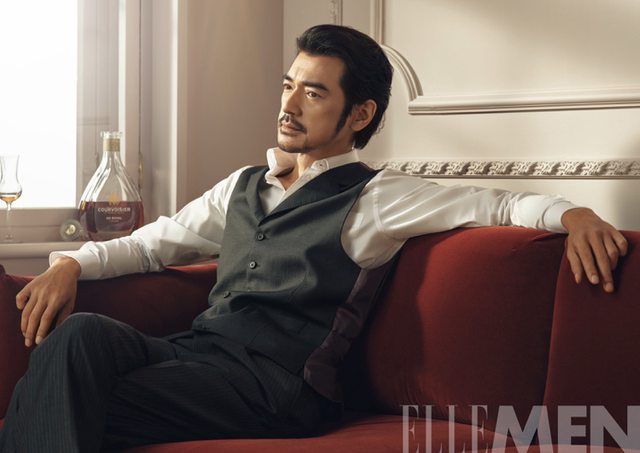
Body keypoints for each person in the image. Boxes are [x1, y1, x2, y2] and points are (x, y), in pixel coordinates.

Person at [0, 24, 628, 453]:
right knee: (81, 336)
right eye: (289, 84)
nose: (290, 104)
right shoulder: (244, 186)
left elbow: (500, 202)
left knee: (60, 400)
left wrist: (574, 216)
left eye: (314, 92)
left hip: (276, 390)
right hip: (197, 358)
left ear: (360, 115)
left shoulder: (377, 197)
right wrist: (71, 266)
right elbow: (150, 245)